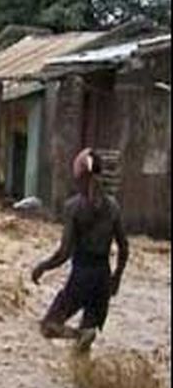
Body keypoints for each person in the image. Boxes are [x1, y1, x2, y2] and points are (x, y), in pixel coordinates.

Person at [31, 147, 129, 352]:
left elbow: (64, 253)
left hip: (82, 276)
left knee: (48, 327)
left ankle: (79, 334)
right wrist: (117, 277)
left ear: (80, 176)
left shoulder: (73, 207)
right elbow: (123, 246)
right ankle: (85, 382)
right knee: (82, 349)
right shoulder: (113, 207)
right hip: (103, 278)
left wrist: (43, 266)